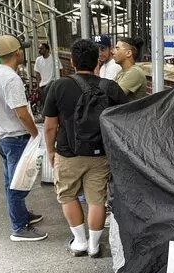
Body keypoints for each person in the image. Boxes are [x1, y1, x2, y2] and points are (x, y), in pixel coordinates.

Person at [43, 39, 127, 257]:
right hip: (100, 155)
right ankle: (95, 246)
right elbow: (124, 122)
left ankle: (79, 242)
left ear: (71, 60)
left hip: (67, 152)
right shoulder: (110, 87)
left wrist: (50, 151)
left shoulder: (59, 86)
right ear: (96, 61)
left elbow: (50, 126)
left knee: (68, 195)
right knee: (96, 199)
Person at [0, 35, 47, 241]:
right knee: (18, 184)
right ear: (17, 53)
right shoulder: (11, 79)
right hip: (15, 138)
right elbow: (21, 113)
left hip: (4, 137)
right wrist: (35, 134)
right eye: (22, 49)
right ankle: (19, 227)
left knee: (10, 182)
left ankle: (21, 215)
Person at [112, 37, 147, 101]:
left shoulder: (135, 72)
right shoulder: (122, 71)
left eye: (117, 49)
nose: (113, 52)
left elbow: (113, 96)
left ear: (128, 53)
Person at [34, 43, 62, 109]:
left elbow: (60, 70)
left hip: (52, 85)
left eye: (41, 48)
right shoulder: (38, 60)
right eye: (39, 48)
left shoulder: (54, 58)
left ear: (47, 50)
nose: (39, 50)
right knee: (45, 104)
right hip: (42, 86)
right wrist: (38, 85)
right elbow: (37, 73)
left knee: (52, 104)